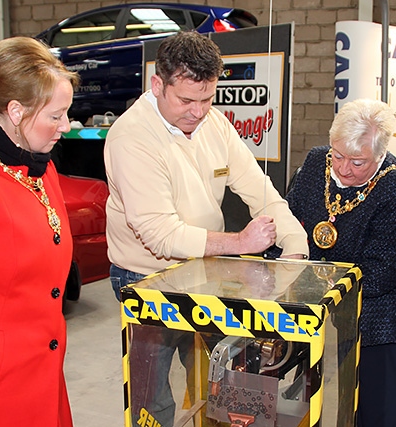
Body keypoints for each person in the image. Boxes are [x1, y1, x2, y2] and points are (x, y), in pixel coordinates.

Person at [104, 30, 308, 426]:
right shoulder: (131, 138)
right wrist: (241, 242)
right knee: (153, 399)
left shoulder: (213, 122)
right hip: (148, 279)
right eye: (186, 100)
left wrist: (295, 247)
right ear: (157, 84)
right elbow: (161, 235)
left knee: (236, 380)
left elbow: (260, 191)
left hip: (204, 270)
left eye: (207, 99)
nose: (198, 112)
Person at [0, 37, 80, 426]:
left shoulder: (38, 165)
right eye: (55, 116)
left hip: (44, 373)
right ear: (15, 110)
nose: (67, 126)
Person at [285, 98, 396, 426]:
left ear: (379, 155)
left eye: (358, 162)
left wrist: (311, 282)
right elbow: (291, 219)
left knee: (378, 409)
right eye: (338, 155)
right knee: (328, 402)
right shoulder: (316, 161)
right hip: (328, 308)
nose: (344, 168)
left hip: (384, 318)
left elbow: (380, 274)